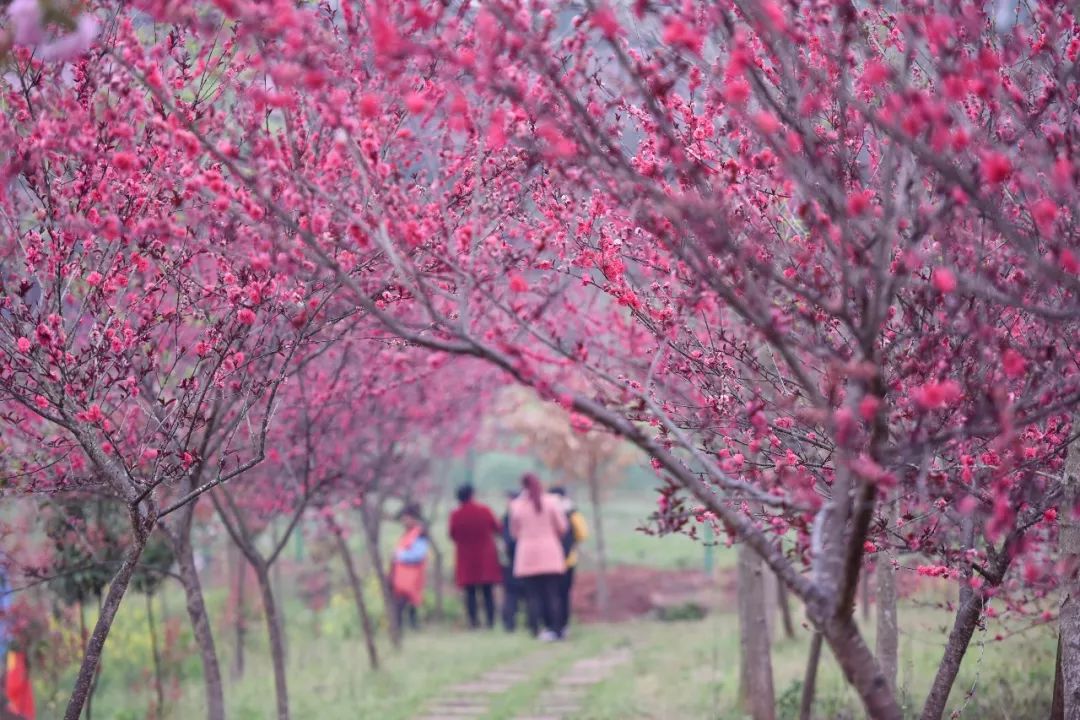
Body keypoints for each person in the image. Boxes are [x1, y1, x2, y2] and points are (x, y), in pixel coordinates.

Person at [509, 473, 568, 641]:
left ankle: (535, 629)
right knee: (552, 594)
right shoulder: (552, 502)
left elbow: (514, 532)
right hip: (550, 552)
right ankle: (557, 629)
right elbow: (562, 527)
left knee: (532, 596)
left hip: (527, 554)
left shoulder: (517, 506)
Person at [448, 484, 502, 629]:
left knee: (470, 592)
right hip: (485, 557)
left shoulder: (456, 515)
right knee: (487, 592)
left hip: (466, 558)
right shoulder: (484, 510)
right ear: (472, 494)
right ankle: (490, 622)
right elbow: (497, 528)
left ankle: (473, 622)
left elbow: (452, 535)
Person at [550, 486, 588, 634]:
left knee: (550, 594)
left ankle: (552, 625)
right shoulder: (572, 512)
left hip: (548, 561)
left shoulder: (546, 511)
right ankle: (564, 625)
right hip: (568, 560)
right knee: (564, 594)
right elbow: (583, 534)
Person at [389, 504, 429, 633]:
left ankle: (408, 627)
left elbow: (418, 554)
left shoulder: (420, 533)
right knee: (403, 603)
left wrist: (399, 555)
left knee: (407, 602)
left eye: (406, 518)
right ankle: (406, 628)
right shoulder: (408, 533)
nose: (404, 521)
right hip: (402, 575)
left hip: (412, 575)